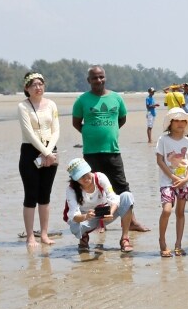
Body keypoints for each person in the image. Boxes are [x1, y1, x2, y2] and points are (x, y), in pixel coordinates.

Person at [72, 65, 149, 232]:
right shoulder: (82, 100)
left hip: (112, 151)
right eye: (94, 78)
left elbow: (121, 119)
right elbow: (76, 123)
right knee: (94, 187)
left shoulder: (116, 98)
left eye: (101, 77)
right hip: (91, 152)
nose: (98, 80)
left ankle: (132, 221)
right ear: (89, 80)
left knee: (122, 187)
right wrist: (92, 134)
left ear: (105, 78)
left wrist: (109, 132)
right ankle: (100, 222)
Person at [17, 72, 60, 247]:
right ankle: (30, 236)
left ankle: (44, 234)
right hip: (30, 152)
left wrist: (49, 152)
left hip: (50, 150)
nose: (38, 87)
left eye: (40, 83)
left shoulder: (51, 104)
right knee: (31, 195)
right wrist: (44, 152)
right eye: (33, 84)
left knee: (45, 195)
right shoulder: (23, 106)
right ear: (27, 88)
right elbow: (29, 132)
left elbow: (56, 130)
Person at [63, 158, 134, 252]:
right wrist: (86, 216)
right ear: (75, 179)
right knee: (74, 227)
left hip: (105, 212)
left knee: (127, 196)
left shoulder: (100, 177)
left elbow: (113, 197)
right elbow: (73, 215)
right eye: (80, 176)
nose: (85, 178)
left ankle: (124, 239)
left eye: (86, 173)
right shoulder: (71, 190)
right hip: (87, 217)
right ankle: (83, 236)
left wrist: (111, 213)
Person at [155, 108, 188, 257]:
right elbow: (160, 160)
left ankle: (178, 244)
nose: (180, 123)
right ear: (170, 123)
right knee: (167, 210)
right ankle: (162, 241)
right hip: (168, 180)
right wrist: (173, 178)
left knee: (180, 212)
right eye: (176, 120)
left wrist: (186, 179)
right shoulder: (163, 140)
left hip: (185, 182)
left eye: (182, 120)